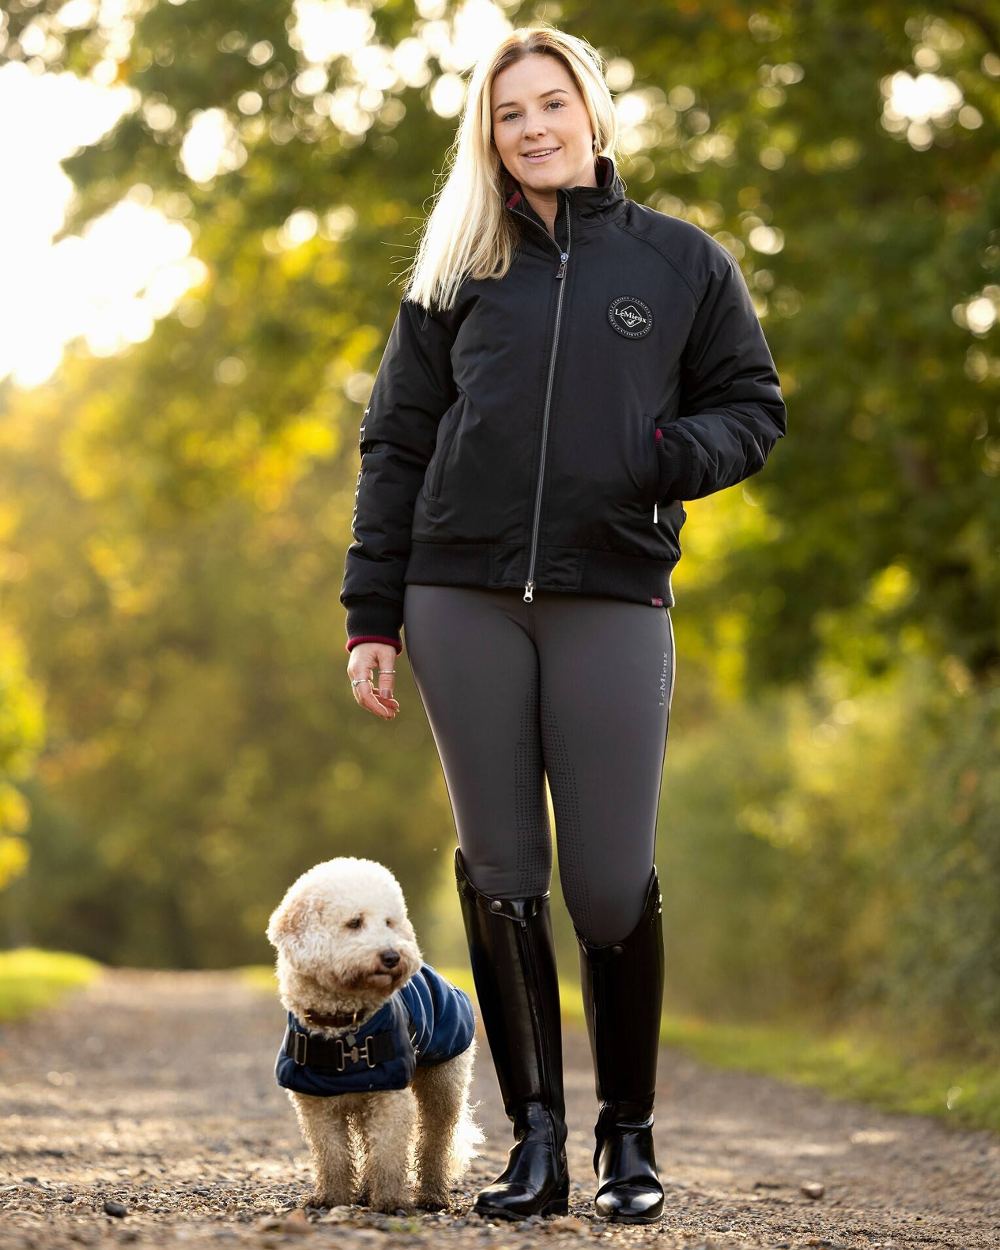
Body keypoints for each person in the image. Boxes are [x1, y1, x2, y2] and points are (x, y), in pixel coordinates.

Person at [339, 23, 787, 1226]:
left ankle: (626, 1140)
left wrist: (660, 457)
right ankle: (533, 1139)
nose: (532, 127)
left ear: (592, 109)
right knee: (501, 869)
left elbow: (753, 404)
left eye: (550, 103)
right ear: (485, 136)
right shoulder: (453, 272)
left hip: (611, 593)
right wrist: (369, 612)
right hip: (456, 593)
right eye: (507, 113)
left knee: (605, 878)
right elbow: (394, 445)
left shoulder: (680, 264)